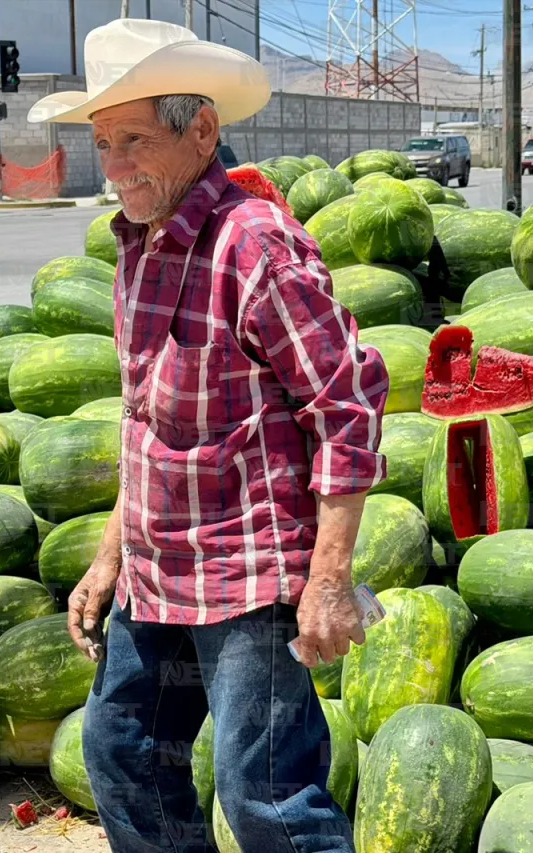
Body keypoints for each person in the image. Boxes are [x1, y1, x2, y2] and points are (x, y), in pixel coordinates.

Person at [27, 18, 389, 853]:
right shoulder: (138, 248)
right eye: (103, 142)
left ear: (203, 129)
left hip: (251, 577)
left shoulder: (256, 247)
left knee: (264, 795)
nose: (114, 167)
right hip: (157, 575)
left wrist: (328, 578)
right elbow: (145, 417)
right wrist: (111, 553)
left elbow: (346, 405)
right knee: (121, 753)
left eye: (135, 140)